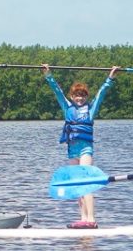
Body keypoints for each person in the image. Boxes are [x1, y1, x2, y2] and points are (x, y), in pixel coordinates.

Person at [44, 64, 118, 229]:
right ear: (72, 96)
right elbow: (57, 91)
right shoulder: (67, 108)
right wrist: (48, 75)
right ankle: (83, 218)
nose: (80, 98)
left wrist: (110, 78)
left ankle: (91, 219)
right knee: (77, 185)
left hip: (85, 149)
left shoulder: (90, 110)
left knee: (86, 181)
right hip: (72, 150)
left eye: (83, 96)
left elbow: (102, 93)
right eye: (77, 96)